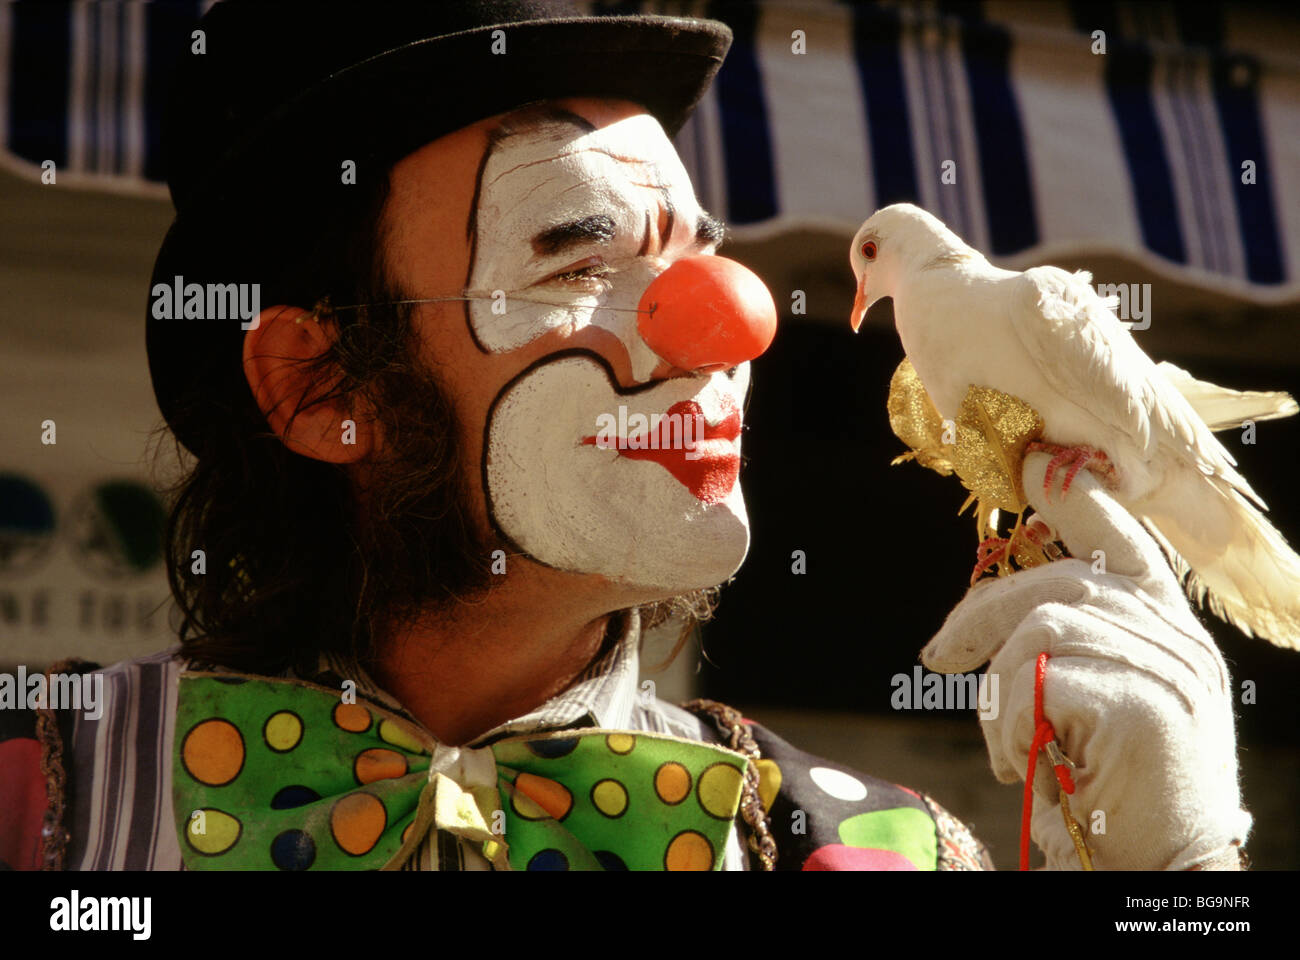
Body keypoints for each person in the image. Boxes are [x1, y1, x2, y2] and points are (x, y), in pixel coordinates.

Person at [0, 0, 1248, 872]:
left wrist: (1168, 872)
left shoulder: (871, 858)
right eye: (579, 249)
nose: (730, 324)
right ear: (324, 385)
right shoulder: (32, 801)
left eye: (702, 249)